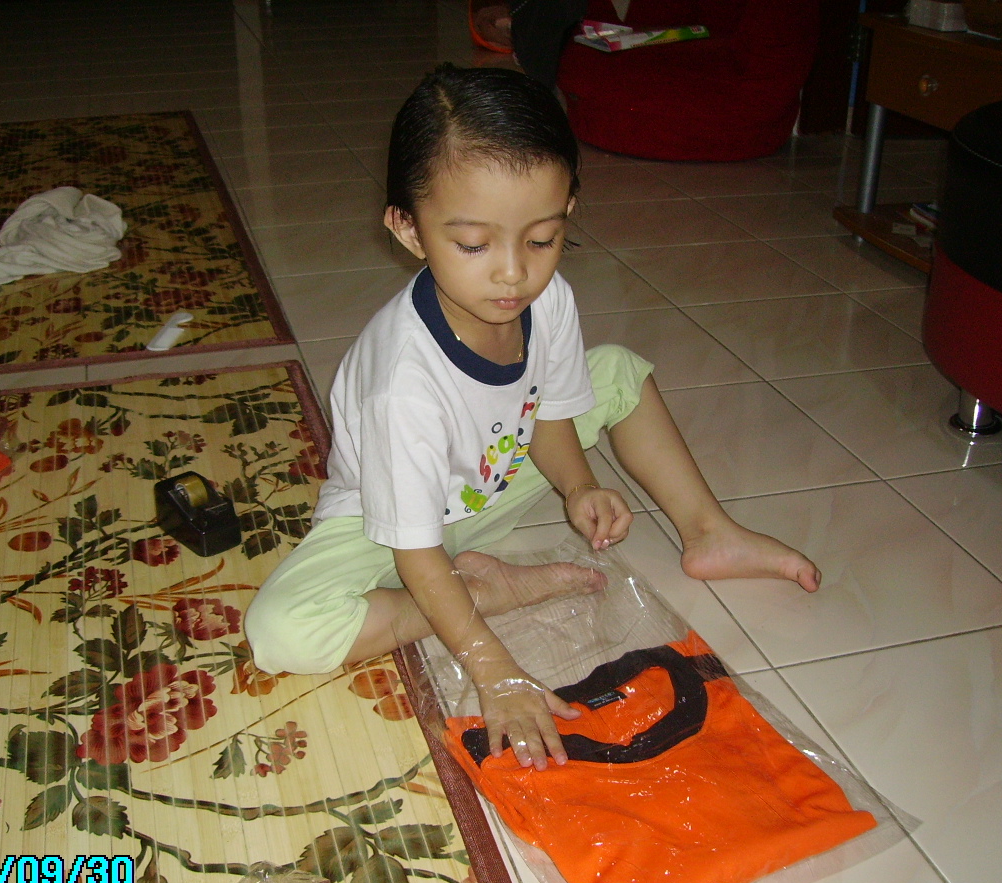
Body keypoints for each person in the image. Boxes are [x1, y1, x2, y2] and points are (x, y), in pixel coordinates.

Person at [245, 65, 820, 772]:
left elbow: (547, 409)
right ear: (407, 228)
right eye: (475, 245)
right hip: (388, 522)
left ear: (567, 210)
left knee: (616, 370)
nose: (513, 274)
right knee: (282, 632)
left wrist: (578, 486)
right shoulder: (402, 386)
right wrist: (493, 666)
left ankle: (709, 532)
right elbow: (417, 553)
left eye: (541, 239)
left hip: (491, 480)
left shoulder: (547, 301)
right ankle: (483, 592)